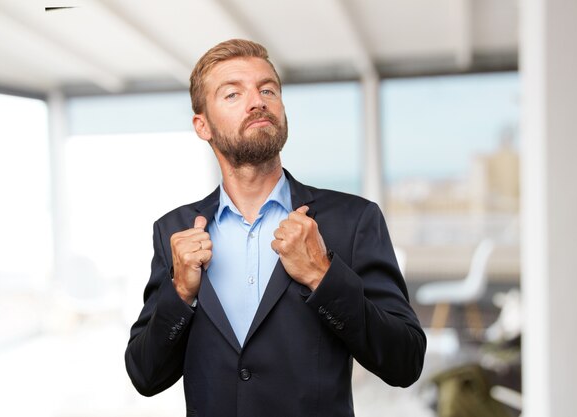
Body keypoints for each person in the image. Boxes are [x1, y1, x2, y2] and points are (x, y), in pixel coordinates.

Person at [125, 38, 426, 417]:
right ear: (202, 126)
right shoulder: (173, 231)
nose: (257, 101)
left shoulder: (354, 220)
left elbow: (406, 361)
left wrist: (322, 275)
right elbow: (144, 374)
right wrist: (181, 293)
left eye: (267, 89)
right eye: (233, 94)